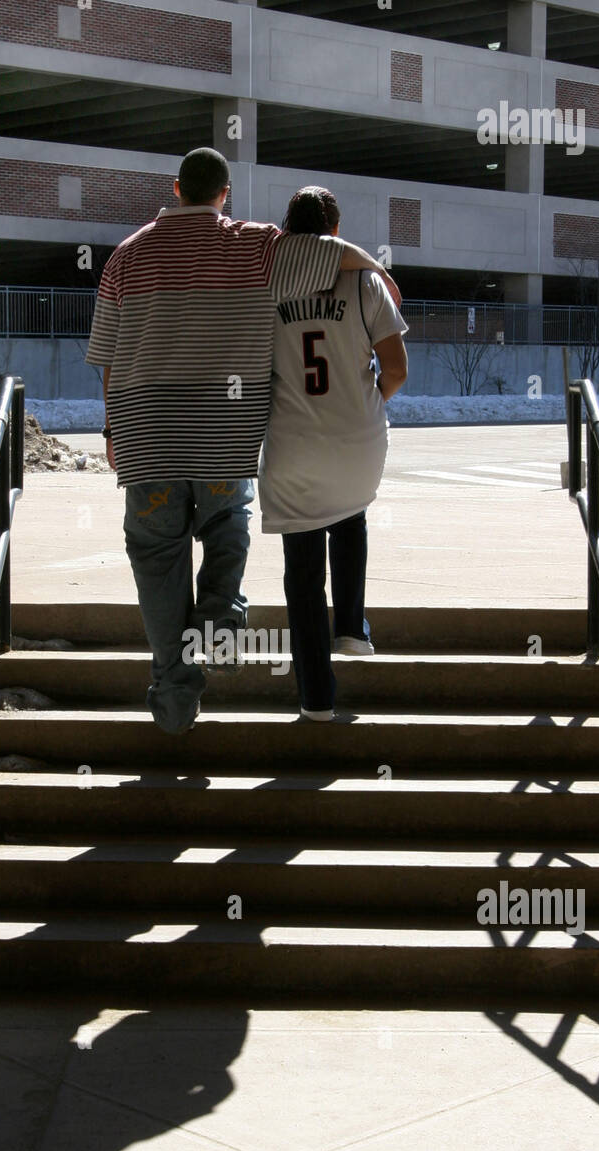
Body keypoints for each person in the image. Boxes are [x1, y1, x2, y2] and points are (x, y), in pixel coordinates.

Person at [85, 148, 401, 734]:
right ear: (225, 194)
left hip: (147, 439)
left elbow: (104, 356)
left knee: (157, 562)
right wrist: (376, 270)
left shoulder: (125, 258)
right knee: (226, 525)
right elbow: (323, 251)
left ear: (175, 190)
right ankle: (221, 622)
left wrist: (113, 428)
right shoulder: (252, 244)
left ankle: (176, 697)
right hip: (222, 440)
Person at [258, 186, 408, 721]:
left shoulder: (265, 281)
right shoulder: (365, 280)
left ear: (287, 231)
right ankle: (350, 625)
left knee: (301, 572)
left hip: (293, 445)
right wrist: (367, 402)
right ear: (336, 232)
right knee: (351, 509)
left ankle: (316, 698)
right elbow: (396, 369)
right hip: (358, 439)